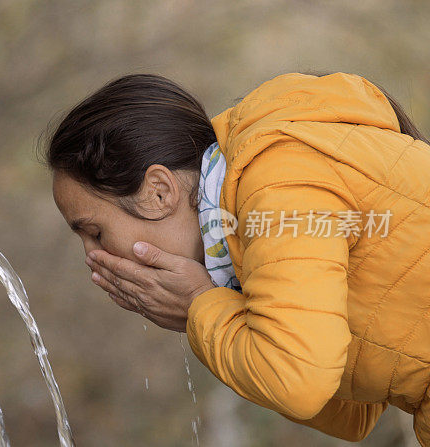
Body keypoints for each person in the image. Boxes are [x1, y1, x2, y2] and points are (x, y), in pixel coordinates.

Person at [43, 70, 430, 444]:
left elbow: (299, 385)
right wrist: (214, 311)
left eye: (95, 233)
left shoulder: (279, 177)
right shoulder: (243, 245)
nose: (92, 257)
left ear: (159, 192)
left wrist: (200, 306)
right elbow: (353, 414)